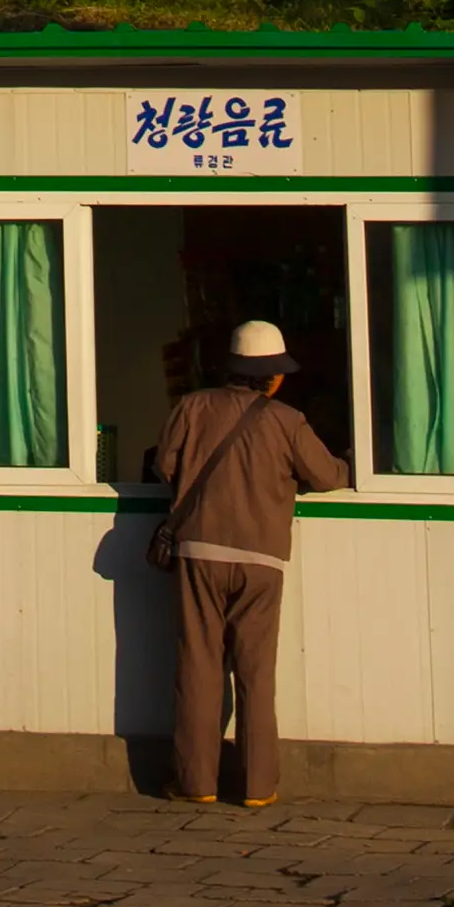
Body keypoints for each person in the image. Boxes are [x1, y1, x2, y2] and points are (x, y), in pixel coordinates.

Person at [147, 311, 346, 809]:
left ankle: (197, 783)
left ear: (228, 367)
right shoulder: (287, 421)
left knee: (198, 666)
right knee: (256, 674)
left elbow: (163, 466)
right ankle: (259, 787)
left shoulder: (191, 407)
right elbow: (326, 477)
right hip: (262, 560)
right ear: (275, 376)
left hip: (198, 553)